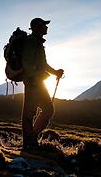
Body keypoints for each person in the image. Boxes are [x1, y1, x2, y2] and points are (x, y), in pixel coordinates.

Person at [21, 17, 64, 150]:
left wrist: (55, 72)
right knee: (31, 113)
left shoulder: (37, 43)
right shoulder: (32, 41)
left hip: (38, 81)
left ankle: (31, 139)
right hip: (34, 82)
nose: (46, 27)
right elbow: (26, 62)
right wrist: (32, 78)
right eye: (43, 25)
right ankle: (29, 142)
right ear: (36, 27)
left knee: (45, 110)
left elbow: (43, 64)